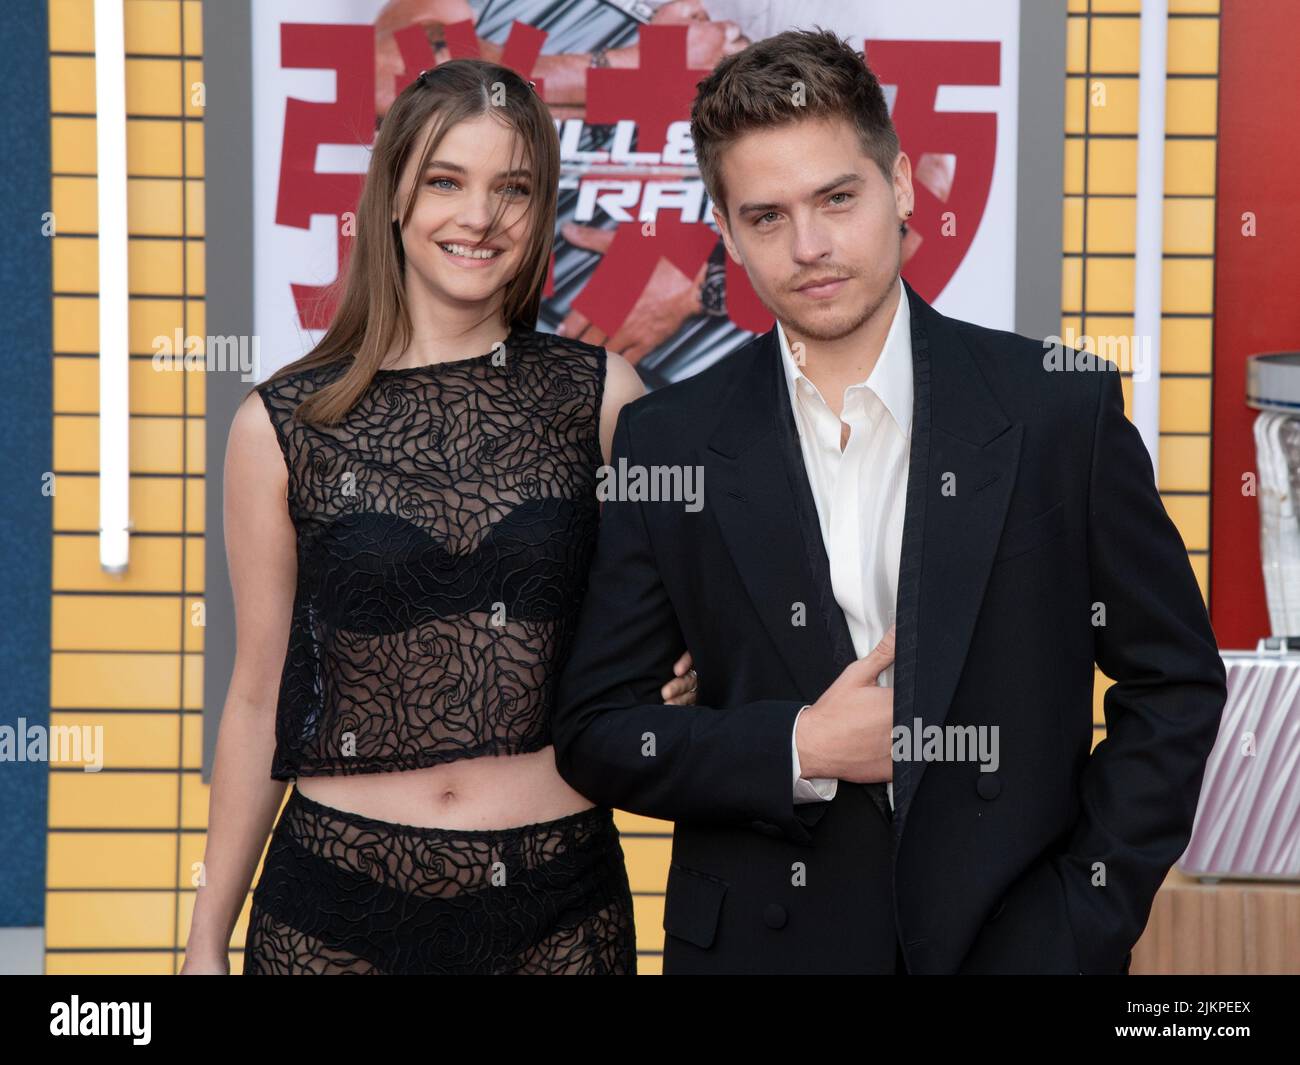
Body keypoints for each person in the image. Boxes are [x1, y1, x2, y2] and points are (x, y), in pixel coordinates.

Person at [552, 27, 1228, 974]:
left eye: (838, 197)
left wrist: (1082, 915)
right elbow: (599, 731)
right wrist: (799, 744)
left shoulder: (1054, 407)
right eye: (767, 216)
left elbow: (1175, 682)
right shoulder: (670, 440)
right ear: (726, 225)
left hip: (1015, 941)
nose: (811, 246)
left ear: (902, 185)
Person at [181, 58, 697, 976]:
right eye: (444, 181)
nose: (479, 216)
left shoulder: (604, 397)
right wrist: (203, 940)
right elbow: (259, 695)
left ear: (541, 213)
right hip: (331, 910)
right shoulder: (281, 425)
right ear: (391, 199)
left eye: (514, 188)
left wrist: (689, 674)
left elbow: (676, 629)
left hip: (558, 909)